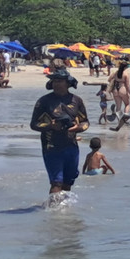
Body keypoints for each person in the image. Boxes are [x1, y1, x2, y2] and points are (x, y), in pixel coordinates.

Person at [30, 67, 90, 198]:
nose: (56, 84)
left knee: (68, 182)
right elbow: (33, 124)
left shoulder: (77, 100)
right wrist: (50, 126)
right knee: (56, 182)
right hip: (51, 146)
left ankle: (63, 208)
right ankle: (52, 208)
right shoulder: (43, 101)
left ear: (67, 83)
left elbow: (85, 122)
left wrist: (78, 128)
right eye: (54, 81)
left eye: (59, 81)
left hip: (71, 145)